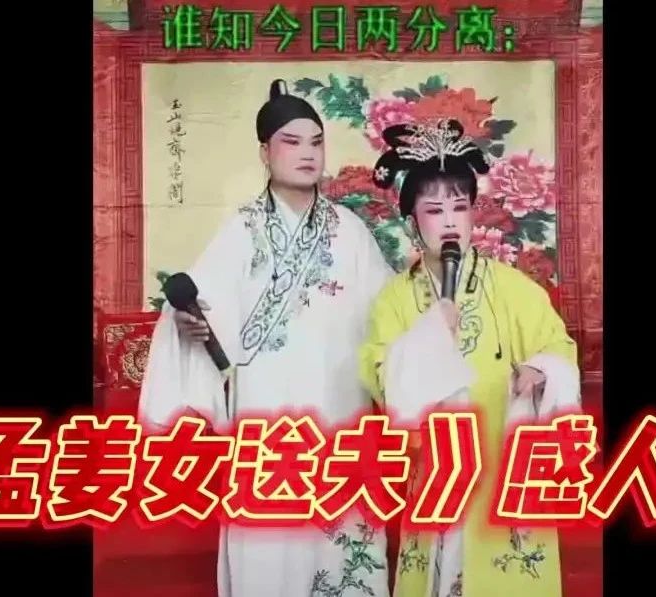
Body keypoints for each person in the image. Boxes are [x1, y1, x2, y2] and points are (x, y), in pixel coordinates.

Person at [139, 79, 395, 597]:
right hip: (268, 417)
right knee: (270, 541)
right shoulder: (241, 231)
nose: (307, 153)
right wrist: (192, 326)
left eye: (316, 142)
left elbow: (390, 315)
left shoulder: (350, 231)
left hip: (340, 411)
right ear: (264, 152)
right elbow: (200, 309)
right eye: (291, 141)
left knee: (344, 541)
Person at [358, 119, 582, 597]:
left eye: (460, 207)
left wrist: (540, 371)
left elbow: (559, 347)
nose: (449, 222)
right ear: (412, 221)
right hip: (438, 467)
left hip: (500, 462)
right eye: (434, 210)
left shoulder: (512, 288)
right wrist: (428, 336)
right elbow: (381, 378)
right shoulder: (394, 300)